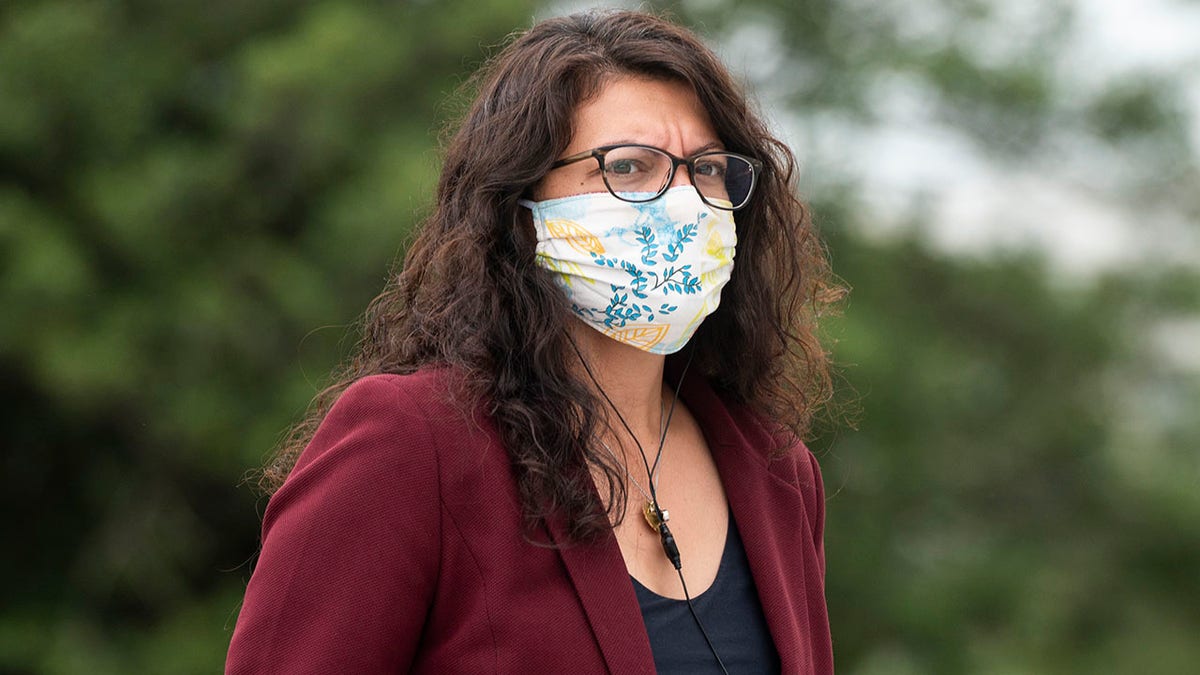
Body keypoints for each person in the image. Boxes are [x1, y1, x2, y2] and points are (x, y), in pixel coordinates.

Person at [226, 9, 839, 674]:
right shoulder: (413, 444)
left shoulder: (778, 471)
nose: (685, 202)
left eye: (710, 168)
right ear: (521, 211)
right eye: (630, 167)